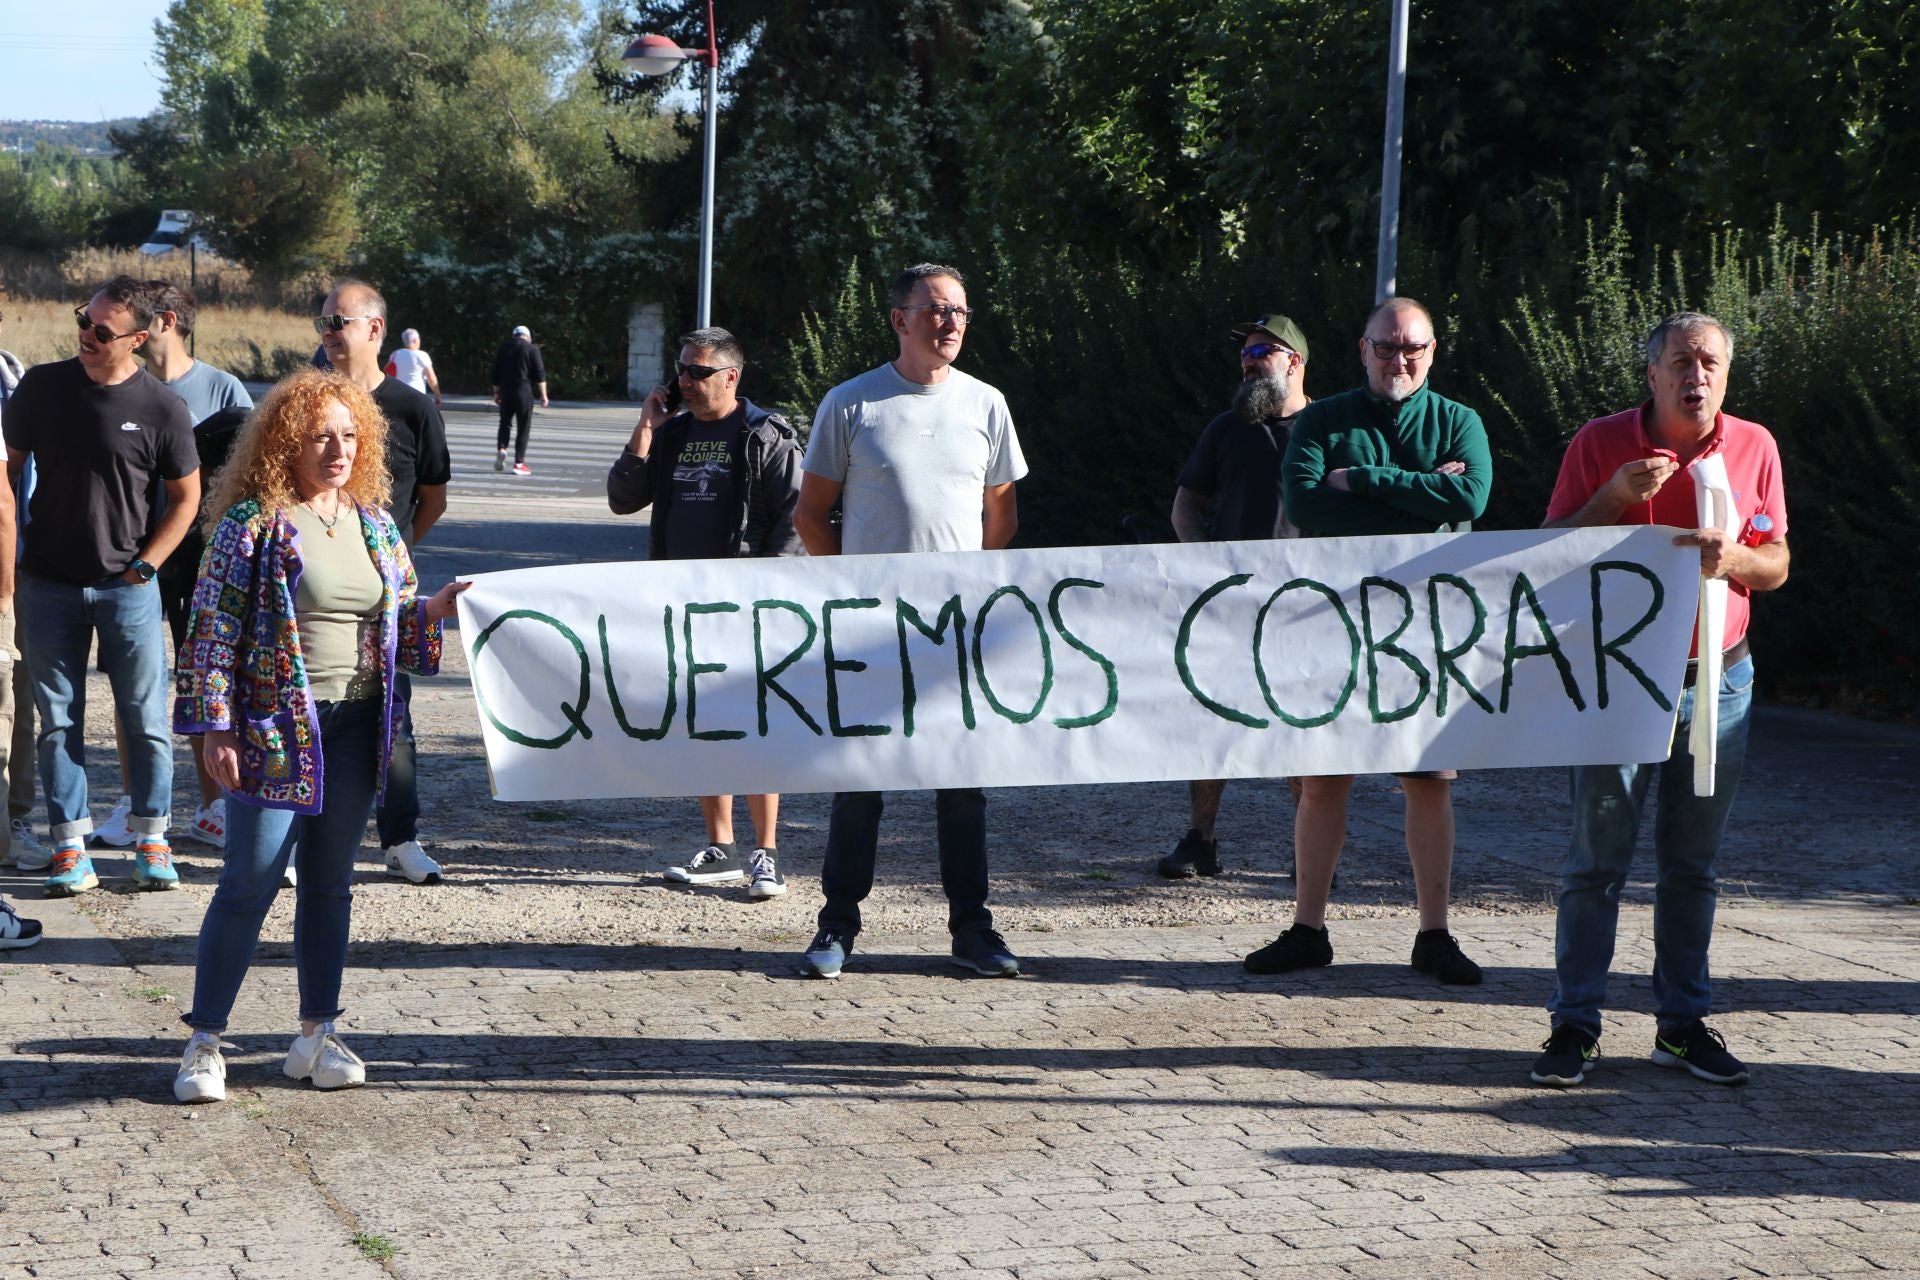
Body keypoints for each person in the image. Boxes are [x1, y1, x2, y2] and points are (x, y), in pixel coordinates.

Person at [170, 369, 469, 1103]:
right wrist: (215, 730)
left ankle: (315, 1033)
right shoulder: (252, 523)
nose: (337, 449)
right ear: (284, 443)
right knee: (249, 881)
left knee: (331, 885)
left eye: (348, 435)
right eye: (319, 437)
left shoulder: (375, 522)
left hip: (360, 723)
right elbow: (210, 634)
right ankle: (205, 1041)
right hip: (275, 726)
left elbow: (397, 624)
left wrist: (434, 611)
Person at [1529, 312, 1789, 1089]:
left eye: (1709, 362)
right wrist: (1613, 495)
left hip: (1721, 679)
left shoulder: (1755, 446)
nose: (1696, 375)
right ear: (1651, 374)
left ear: (1727, 375)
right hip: (1618, 680)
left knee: (1691, 865)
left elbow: (1775, 562)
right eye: (1681, 361)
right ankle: (1574, 1024)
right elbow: (1551, 551)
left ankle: (1681, 1026)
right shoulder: (1600, 443)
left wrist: (1735, 556)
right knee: (1595, 862)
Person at [793, 263, 1028, 979]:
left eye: (959, 310)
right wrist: (856, 590)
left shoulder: (987, 405)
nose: (950, 322)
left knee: (961, 785)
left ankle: (972, 928)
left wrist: (958, 596)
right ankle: (837, 925)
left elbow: (1001, 517)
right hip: (870, 630)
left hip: (952, 634)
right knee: (860, 781)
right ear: (899, 319)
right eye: (935, 310)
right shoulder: (853, 404)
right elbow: (811, 513)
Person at [1247, 296, 1491, 984]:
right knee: (1323, 778)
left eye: (1412, 347)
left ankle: (1434, 935)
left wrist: (1358, 480)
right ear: (1363, 350)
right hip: (1335, 622)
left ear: (1432, 351)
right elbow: (1303, 501)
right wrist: (1420, 489)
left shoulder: (1459, 421)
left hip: (1426, 625)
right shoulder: (1324, 419)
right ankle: (1308, 928)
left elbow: (1470, 499)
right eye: (1386, 347)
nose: (1399, 359)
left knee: (1428, 778)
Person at [3, 275, 201, 896]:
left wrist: (146, 567)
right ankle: (69, 845)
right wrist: (13, 564)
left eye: (101, 330)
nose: (85, 336)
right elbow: (6, 474)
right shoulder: (41, 388)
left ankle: (151, 840)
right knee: (57, 722)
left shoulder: (162, 407)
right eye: (81, 321)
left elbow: (186, 498)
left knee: (144, 718)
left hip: (129, 590)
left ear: (138, 339)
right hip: (48, 585)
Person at [607, 326, 803, 898]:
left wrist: (771, 598)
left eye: (698, 372)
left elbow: (792, 521)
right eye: (681, 370)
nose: (684, 382)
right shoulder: (673, 433)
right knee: (702, 724)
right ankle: (720, 847)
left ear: (732, 376)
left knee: (755, 726)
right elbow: (623, 498)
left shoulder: (764, 433)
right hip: (680, 605)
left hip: (747, 605)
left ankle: (766, 851)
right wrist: (646, 425)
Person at [1157, 312, 1311, 880]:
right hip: (1230, 605)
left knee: (1304, 724)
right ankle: (1201, 840)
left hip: (1306, 605)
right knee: (1213, 717)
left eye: (1263, 351)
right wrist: (1210, 567)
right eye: (1245, 352)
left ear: (1295, 362)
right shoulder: (1226, 429)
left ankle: (1308, 851)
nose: (1248, 361)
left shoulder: (1328, 428)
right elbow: (1185, 506)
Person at [317, 279, 453, 887]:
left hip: (383, 593)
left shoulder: (412, 408)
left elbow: (433, 498)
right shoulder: (310, 402)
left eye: (337, 322)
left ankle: (399, 838)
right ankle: (304, 836)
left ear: (374, 330)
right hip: (313, 589)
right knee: (311, 709)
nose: (326, 333)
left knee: (391, 720)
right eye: (322, 322)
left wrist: (393, 558)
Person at [136, 280, 254, 852]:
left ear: (166, 320)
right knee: (136, 689)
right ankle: (140, 809)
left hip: (201, 565)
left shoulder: (223, 389)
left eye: (137, 317)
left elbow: (251, 480)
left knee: (200, 682)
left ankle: (215, 807)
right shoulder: (120, 382)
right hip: (132, 557)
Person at [0, 305, 47, 876]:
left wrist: (10, 585)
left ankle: (16, 819)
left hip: (19, 573)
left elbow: (8, 502)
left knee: (19, 699)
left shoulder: (17, 379)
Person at [490, 324, 548, 475]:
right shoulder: (532, 349)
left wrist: (496, 393)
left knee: (504, 423)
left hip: (506, 391)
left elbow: (494, 372)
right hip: (524, 391)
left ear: (514, 336)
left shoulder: (504, 348)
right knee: (523, 427)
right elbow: (540, 374)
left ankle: (502, 448)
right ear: (527, 337)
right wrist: (543, 395)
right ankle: (519, 463)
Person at [384, 328, 443, 405]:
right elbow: (431, 378)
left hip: (399, 394)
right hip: (417, 394)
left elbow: (386, 372)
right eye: (418, 339)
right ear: (415, 340)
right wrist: (438, 396)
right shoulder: (422, 355)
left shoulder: (395, 354)